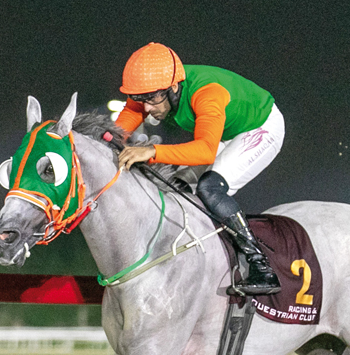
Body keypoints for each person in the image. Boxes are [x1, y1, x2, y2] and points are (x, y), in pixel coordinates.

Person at [114, 42, 285, 296]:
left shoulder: (207, 93)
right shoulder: (155, 87)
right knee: (179, 187)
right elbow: (127, 118)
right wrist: (105, 140)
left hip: (259, 128)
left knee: (210, 188)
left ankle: (261, 267)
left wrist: (152, 152)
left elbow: (204, 150)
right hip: (222, 133)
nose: (147, 107)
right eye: (141, 99)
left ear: (173, 87)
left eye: (152, 99)